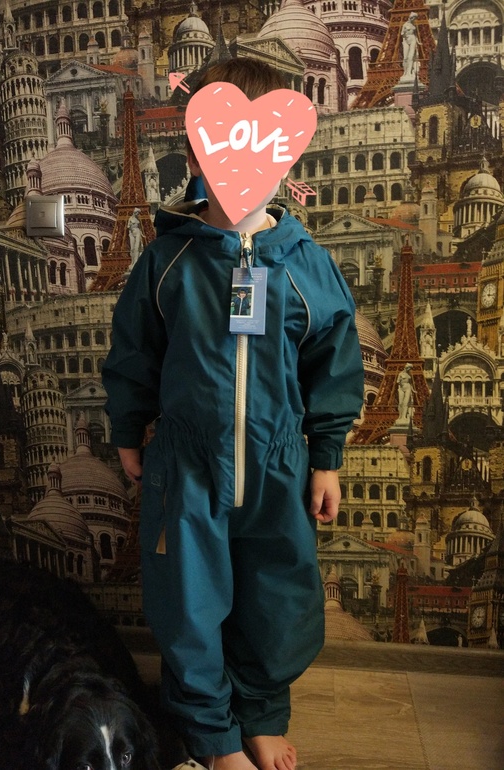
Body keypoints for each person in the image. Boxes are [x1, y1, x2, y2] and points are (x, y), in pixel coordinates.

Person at [102, 58, 364, 770]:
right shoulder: (167, 261)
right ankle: (214, 736)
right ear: (197, 156)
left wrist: (327, 456)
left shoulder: (306, 264)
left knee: (279, 598)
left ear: (286, 158)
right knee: (188, 603)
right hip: (186, 467)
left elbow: (334, 362)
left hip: (278, 465)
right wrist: (127, 431)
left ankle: (261, 711)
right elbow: (134, 353)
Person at [401, 12, 418, 78]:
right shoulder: (405, 25)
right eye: (414, 18)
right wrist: (404, 33)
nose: (414, 19)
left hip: (413, 39)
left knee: (411, 56)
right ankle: (405, 72)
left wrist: (417, 41)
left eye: (415, 18)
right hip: (405, 40)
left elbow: (415, 34)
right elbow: (402, 33)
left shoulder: (414, 26)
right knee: (405, 57)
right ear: (411, 17)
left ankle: (409, 72)